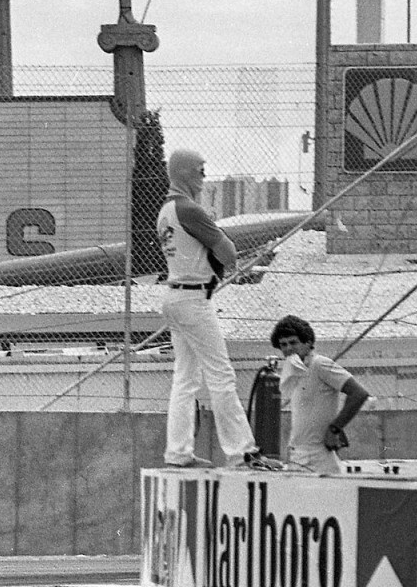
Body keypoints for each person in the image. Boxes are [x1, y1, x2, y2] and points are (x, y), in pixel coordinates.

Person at [158, 147, 279, 470]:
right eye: (199, 169)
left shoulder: (166, 210)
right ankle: (242, 452)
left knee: (185, 379)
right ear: (183, 172)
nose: (204, 174)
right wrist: (226, 246)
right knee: (221, 375)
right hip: (195, 299)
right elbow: (226, 252)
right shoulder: (190, 209)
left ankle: (178, 452)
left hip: (175, 295)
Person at [270, 315, 371, 475]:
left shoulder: (319, 364)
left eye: (293, 342)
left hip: (318, 457)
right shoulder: (294, 371)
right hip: (298, 455)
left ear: (308, 342)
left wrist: (335, 429)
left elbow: (359, 393)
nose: (288, 349)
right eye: (283, 344)